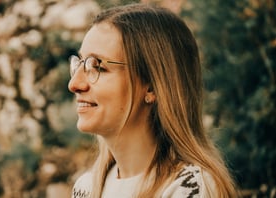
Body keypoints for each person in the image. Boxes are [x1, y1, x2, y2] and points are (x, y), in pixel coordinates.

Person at [68, 3, 237, 198]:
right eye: (79, 63)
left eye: (97, 66)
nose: (74, 84)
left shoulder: (189, 188)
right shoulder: (86, 189)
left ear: (152, 86)